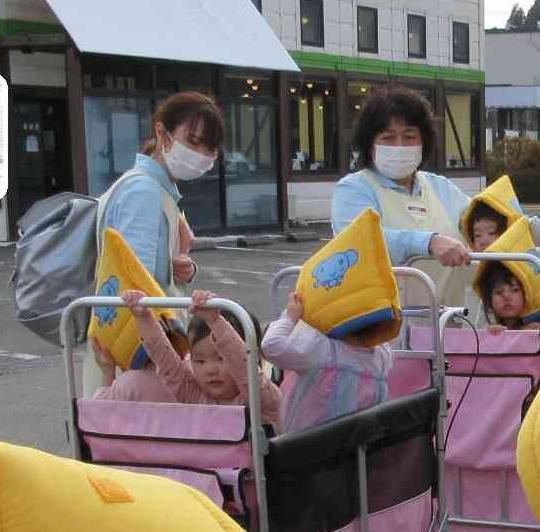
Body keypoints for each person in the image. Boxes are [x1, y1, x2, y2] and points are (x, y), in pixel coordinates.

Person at [82, 92, 224, 395]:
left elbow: (141, 265)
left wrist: (183, 269)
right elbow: (138, 286)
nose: (201, 155)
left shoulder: (147, 186)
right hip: (140, 355)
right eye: (194, 141)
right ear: (162, 132)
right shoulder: (144, 192)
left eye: (210, 148)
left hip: (130, 346)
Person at [330, 87, 474, 312]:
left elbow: (486, 218)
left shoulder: (440, 186)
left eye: (409, 136)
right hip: (383, 335)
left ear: (424, 141)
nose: (399, 146)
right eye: (388, 137)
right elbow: (362, 240)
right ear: (370, 144)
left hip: (448, 329)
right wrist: (429, 242)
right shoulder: (354, 189)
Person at [92, 288, 281, 422]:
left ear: (254, 357)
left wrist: (216, 322)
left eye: (221, 358)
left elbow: (243, 367)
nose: (211, 370)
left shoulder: (260, 399)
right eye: (199, 361)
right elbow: (165, 360)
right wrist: (143, 317)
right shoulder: (192, 395)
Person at [261, 289, 394, 434]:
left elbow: (271, 344)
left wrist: (290, 317)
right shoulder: (382, 356)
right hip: (351, 447)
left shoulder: (322, 351)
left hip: (302, 443)